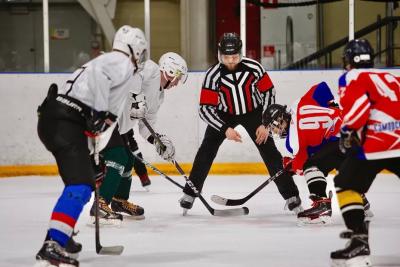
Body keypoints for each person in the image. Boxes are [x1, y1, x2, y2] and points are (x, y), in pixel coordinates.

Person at [35, 25, 148, 266]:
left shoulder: (112, 62)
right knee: (81, 184)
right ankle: (52, 246)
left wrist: (94, 157)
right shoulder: (121, 62)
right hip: (64, 122)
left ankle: (60, 237)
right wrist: (100, 111)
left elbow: (97, 123)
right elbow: (99, 75)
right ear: (136, 49)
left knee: (81, 182)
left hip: (57, 121)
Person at [179, 32, 302, 215]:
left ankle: (292, 196)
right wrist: (224, 128)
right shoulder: (213, 75)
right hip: (224, 115)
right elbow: (205, 108)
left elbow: (269, 92)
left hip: (254, 114)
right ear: (220, 55)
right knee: (206, 149)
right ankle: (190, 193)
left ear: (241, 53)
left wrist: (265, 123)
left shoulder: (254, 68)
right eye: (226, 57)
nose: (230, 61)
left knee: (270, 152)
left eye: (234, 56)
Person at [91, 52, 188, 224]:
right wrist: (137, 99)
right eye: (178, 78)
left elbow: (145, 125)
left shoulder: (159, 96)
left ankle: (119, 201)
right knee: (118, 156)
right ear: (171, 72)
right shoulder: (150, 68)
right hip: (105, 115)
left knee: (128, 159)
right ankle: (100, 203)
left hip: (119, 126)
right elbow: (132, 77)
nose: (177, 83)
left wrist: (158, 141)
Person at [330, 39, 400, 266]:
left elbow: (359, 109)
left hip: (375, 143)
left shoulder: (351, 77)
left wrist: (347, 132)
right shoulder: (391, 77)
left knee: (345, 184)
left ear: (349, 61)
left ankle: (360, 242)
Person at [263, 82, 372, 225]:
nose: (275, 132)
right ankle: (358, 198)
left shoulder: (294, 141)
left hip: (344, 139)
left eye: (273, 128)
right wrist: (333, 108)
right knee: (333, 158)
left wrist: (292, 166)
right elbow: (322, 88)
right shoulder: (299, 104)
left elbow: (302, 166)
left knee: (312, 166)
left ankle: (321, 204)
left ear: (279, 120)